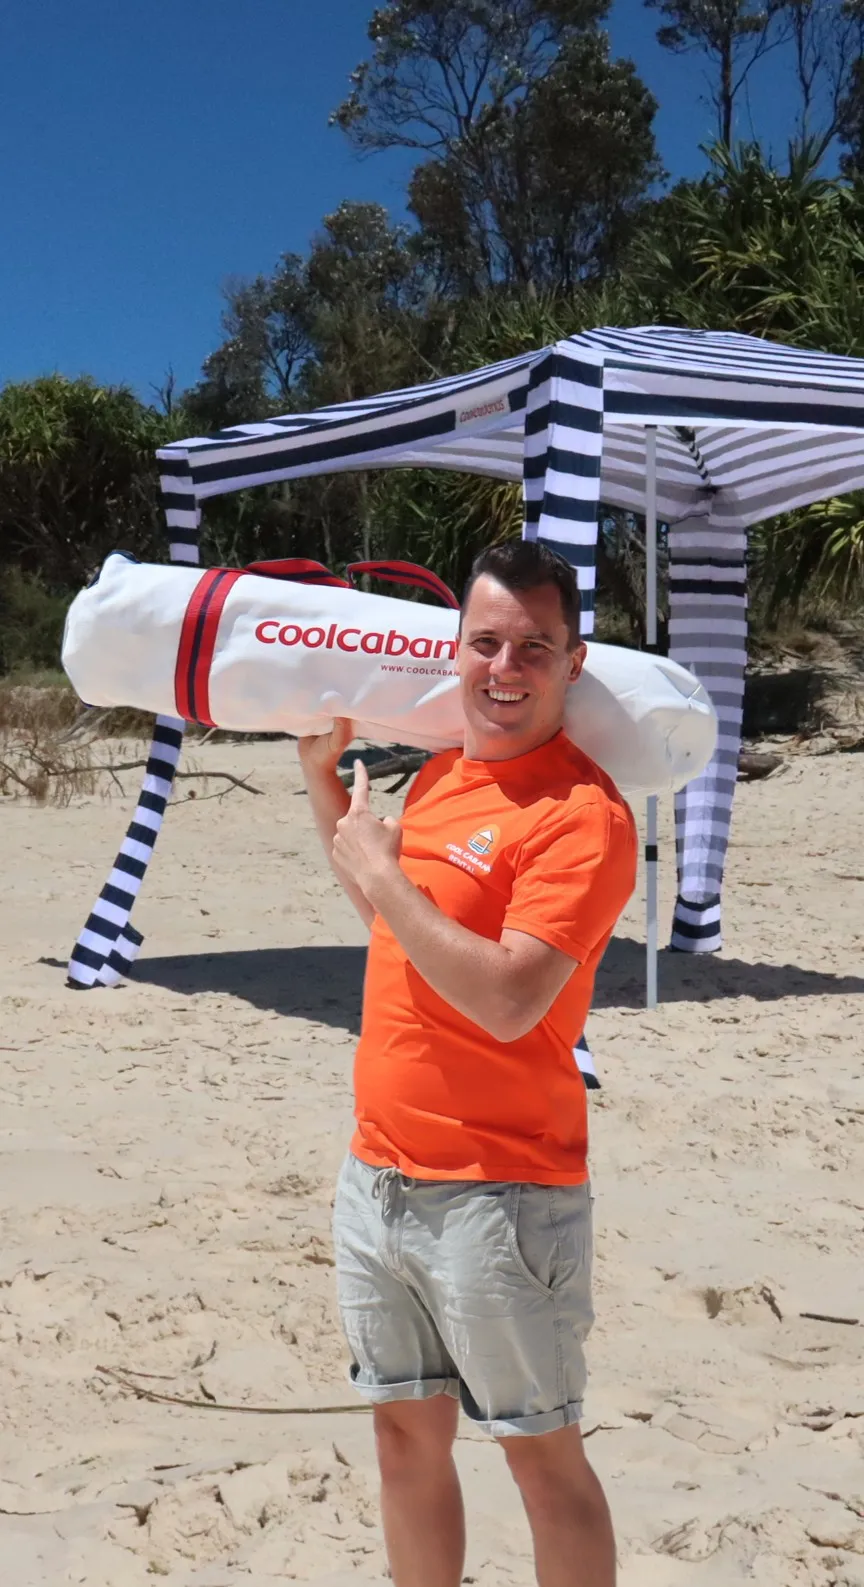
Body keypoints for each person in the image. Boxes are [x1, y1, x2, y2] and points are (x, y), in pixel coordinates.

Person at [299, 541, 637, 1587]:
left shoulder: (584, 818)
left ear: (572, 661)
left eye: (533, 646)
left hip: (502, 1194)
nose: (505, 667)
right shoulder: (443, 775)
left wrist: (387, 882)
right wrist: (325, 788)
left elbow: (506, 1000)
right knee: (404, 1442)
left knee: (542, 1457)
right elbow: (388, 919)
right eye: (486, 642)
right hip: (380, 1175)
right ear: (457, 650)